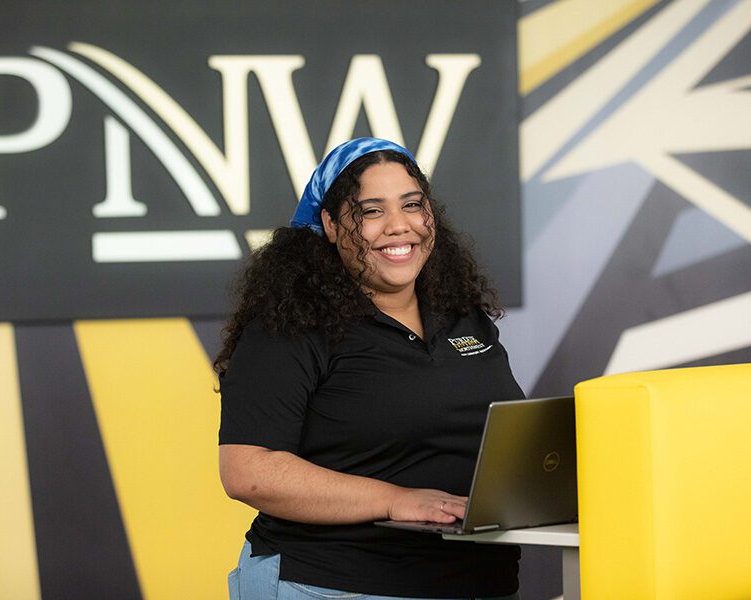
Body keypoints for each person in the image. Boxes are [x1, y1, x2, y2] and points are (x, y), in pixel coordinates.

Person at [216, 137, 524, 599]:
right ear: (331, 226)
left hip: (479, 582)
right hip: (332, 583)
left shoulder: (461, 314)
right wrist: (396, 500)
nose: (400, 227)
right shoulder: (292, 325)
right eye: (371, 212)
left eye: (412, 205)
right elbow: (247, 471)